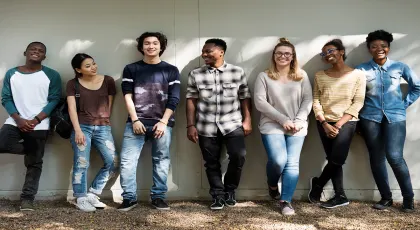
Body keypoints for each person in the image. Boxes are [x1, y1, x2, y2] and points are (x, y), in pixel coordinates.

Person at [356, 30, 420, 212]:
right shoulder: (361, 69)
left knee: (395, 157)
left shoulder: (400, 67)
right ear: (369, 49)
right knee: (376, 158)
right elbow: (354, 94)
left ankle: (408, 198)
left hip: (396, 118)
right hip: (370, 118)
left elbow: (417, 87)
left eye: (383, 46)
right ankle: (386, 198)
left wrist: (402, 104)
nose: (379, 49)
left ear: (389, 48)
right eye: (374, 46)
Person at [186, 38, 252, 210]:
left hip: (233, 124)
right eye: (203, 51)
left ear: (221, 52)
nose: (204, 54)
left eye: (208, 51)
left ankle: (230, 190)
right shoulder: (196, 74)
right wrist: (190, 125)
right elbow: (191, 100)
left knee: (238, 156)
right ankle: (217, 195)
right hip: (205, 125)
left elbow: (244, 97)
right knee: (211, 162)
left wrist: (248, 120)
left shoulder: (237, 72)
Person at [118, 32, 180, 211]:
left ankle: (158, 197)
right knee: (127, 161)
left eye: (155, 43)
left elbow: (174, 98)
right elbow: (127, 96)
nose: (151, 46)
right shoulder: (131, 69)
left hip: (162, 123)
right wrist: (135, 119)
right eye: (147, 43)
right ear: (141, 47)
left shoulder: (171, 70)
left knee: (161, 159)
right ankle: (129, 198)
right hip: (136, 122)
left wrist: (164, 122)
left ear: (161, 47)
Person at [254, 38, 312, 215]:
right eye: (279, 53)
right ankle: (272, 185)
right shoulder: (264, 76)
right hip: (271, 124)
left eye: (287, 53)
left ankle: (285, 201)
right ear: (274, 56)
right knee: (279, 160)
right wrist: (282, 119)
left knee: (292, 164)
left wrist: (300, 121)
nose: (283, 56)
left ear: (293, 56)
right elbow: (260, 102)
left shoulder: (302, 75)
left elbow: (307, 99)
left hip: (297, 125)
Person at [0, 42, 61, 211]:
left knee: (34, 165)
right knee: (3, 144)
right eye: (33, 49)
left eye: (41, 51)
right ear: (25, 52)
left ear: (44, 57)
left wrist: (36, 120)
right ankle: (32, 152)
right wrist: (19, 120)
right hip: (15, 121)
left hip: (40, 124)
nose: (36, 52)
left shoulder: (52, 75)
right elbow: (6, 98)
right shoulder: (12, 73)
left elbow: (55, 99)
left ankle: (27, 199)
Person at [308, 39, 366, 209]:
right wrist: (324, 122)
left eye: (331, 50)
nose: (327, 55)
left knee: (337, 158)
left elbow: (358, 102)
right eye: (324, 53)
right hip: (324, 122)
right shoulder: (320, 75)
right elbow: (316, 100)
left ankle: (318, 185)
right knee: (334, 159)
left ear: (341, 51)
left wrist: (339, 124)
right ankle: (340, 195)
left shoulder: (358, 75)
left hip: (347, 121)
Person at [66, 53, 118, 212]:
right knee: (81, 163)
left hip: (103, 127)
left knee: (113, 162)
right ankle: (80, 197)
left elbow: (109, 102)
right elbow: (71, 108)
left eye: (93, 64)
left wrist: (105, 119)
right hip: (82, 127)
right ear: (78, 69)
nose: (93, 67)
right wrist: (78, 131)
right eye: (87, 66)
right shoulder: (73, 84)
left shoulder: (108, 80)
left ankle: (93, 194)